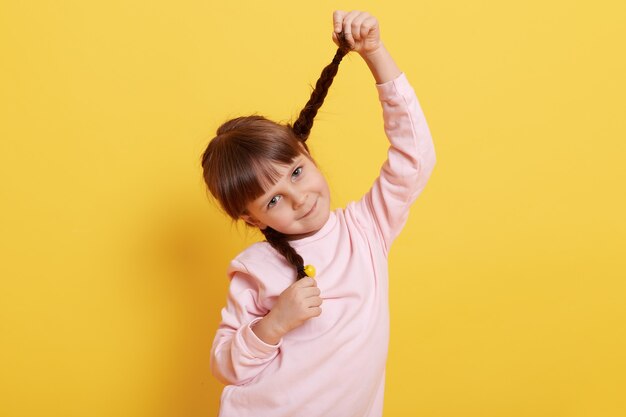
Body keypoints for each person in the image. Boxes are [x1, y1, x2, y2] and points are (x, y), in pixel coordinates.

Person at [200, 10, 436, 417]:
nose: (297, 197)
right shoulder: (256, 267)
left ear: (308, 155)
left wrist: (375, 54)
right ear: (254, 219)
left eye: (296, 172)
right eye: (272, 200)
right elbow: (225, 365)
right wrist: (273, 324)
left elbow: (414, 158)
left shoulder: (366, 229)